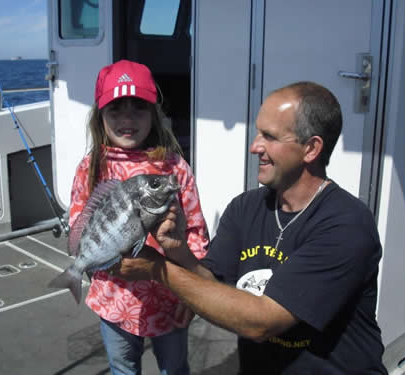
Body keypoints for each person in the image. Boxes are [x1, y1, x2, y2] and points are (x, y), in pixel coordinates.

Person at [118, 82, 388, 374]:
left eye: (269, 137)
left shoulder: (346, 225)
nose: (254, 146)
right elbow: (211, 281)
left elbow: (262, 321)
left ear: (311, 148)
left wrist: (158, 268)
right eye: (258, 132)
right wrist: (178, 250)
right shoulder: (245, 208)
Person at [68, 59, 209, 375]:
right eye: (116, 109)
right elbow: (80, 219)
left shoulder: (175, 168)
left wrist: (194, 293)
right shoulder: (90, 166)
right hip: (112, 299)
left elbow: (196, 234)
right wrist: (87, 261)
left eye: (139, 108)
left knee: (175, 369)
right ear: (100, 115)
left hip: (170, 297)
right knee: (122, 368)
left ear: (154, 114)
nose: (127, 118)